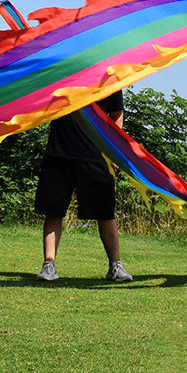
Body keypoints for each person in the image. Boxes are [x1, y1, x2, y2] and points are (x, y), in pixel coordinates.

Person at [34, 91, 133, 282]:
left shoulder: (110, 78)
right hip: (59, 152)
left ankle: (115, 266)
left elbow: (117, 116)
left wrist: (114, 150)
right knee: (53, 210)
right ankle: (49, 265)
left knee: (105, 213)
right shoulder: (65, 73)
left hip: (96, 155)